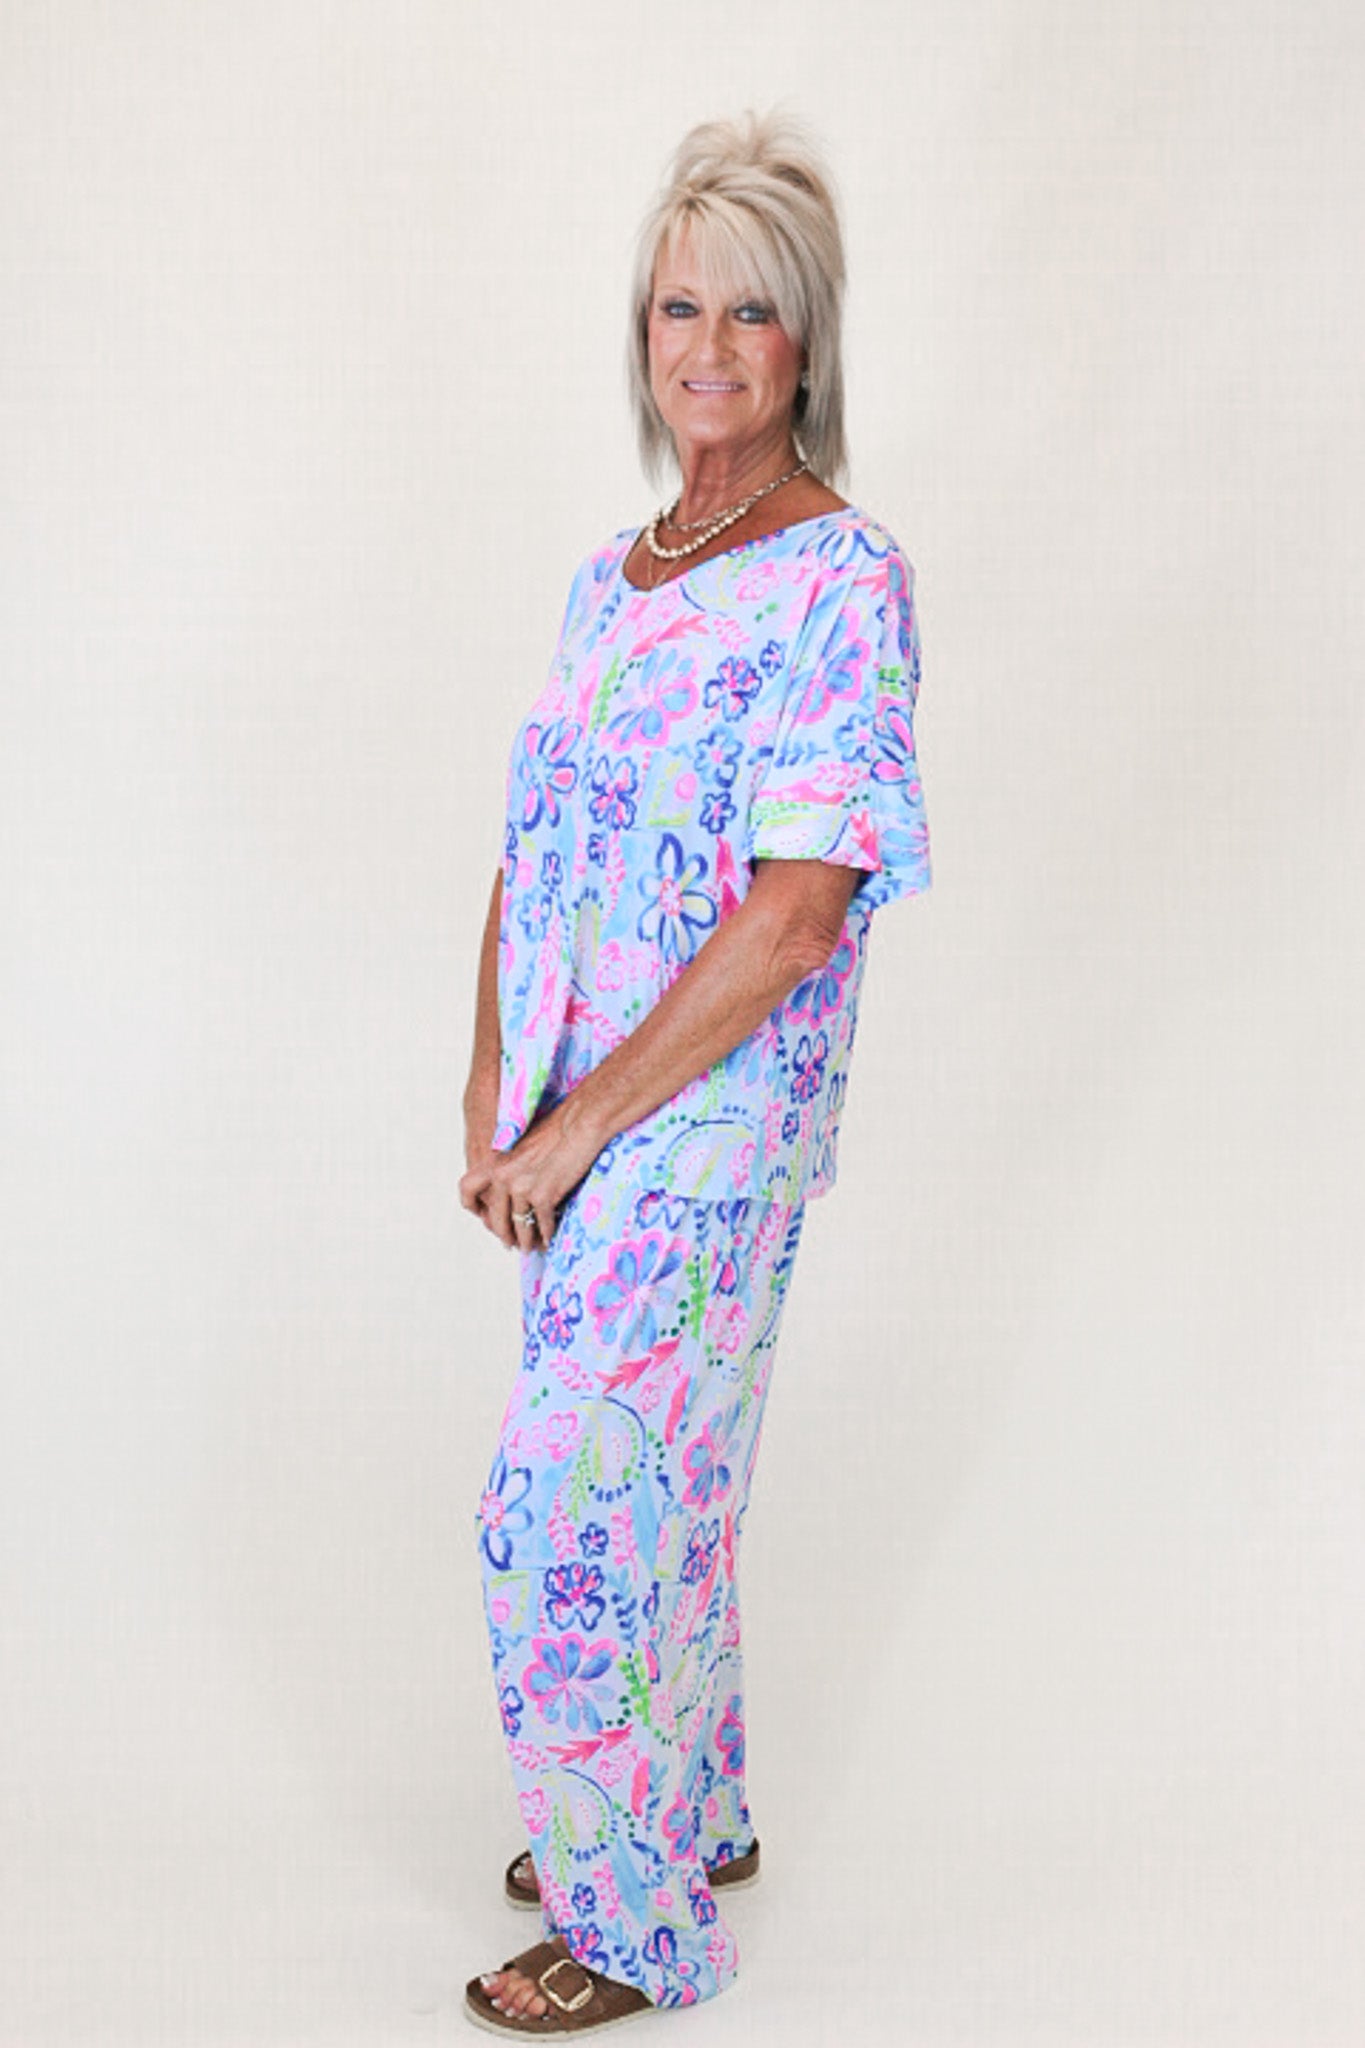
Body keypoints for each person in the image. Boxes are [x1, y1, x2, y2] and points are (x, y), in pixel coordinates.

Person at [458, 109, 931, 2036]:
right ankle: (685, 1815)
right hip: (579, 1122)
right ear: (640, 334)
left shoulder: (843, 580)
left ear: (806, 342)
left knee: (566, 1511)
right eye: (678, 307)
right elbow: (535, 841)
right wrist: (498, 1096)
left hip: (704, 1129)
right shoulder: (619, 574)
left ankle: (631, 1922)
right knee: (664, 1484)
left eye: (751, 310)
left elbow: (798, 912)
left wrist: (584, 1122)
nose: (709, 346)